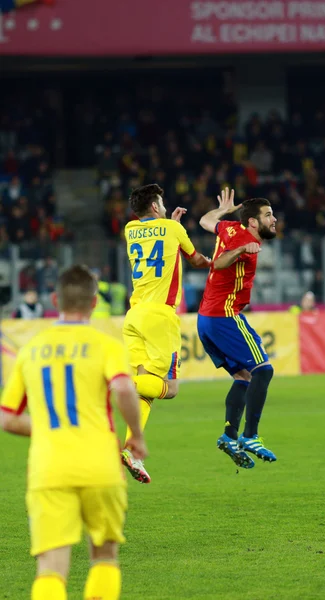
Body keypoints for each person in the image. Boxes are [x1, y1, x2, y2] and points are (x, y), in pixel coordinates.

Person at [0, 265, 147, 600]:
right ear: (95, 303)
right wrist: (136, 435)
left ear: (55, 300)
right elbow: (124, 389)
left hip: (49, 468)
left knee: (51, 566)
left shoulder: (32, 349)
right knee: (104, 556)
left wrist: (51, 428)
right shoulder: (105, 345)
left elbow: (7, 419)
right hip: (100, 464)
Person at [122, 183, 211, 483]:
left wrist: (168, 224)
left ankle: (130, 450)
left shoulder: (129, 230)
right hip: (160, 316)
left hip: (134, 315)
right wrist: (215, 265)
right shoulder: (172, 230)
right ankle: (109, 383)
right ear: (157, 207)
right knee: (170, 388)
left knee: (147, 393)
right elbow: (195, 259)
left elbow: (153, 237)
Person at [198, 187, 277, 469]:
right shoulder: (243, 240)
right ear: (253, 222)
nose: (274, 219)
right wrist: (242, 249)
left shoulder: (231, 227)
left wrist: (224, 210)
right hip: (223, 315)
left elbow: (205, 222)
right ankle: (250, 435)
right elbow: (219, 263)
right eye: (268, 215)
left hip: (206, 319)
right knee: (263, 370)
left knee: (244, 377)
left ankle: (229, 436)